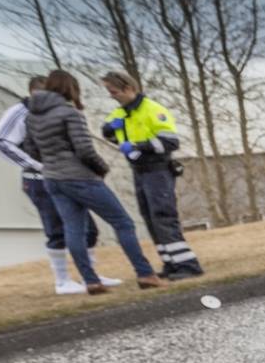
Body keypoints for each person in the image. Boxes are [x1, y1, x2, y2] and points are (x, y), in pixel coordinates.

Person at [23, 70, 164, 294]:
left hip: (52, 178)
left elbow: (31, 150)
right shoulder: (69, 113)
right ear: (70, 89)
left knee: (74, 230)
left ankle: (91, 281)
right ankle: (145, 273)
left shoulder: (31, 116)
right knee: (123, 223)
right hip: (80, 177)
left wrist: (53, 162)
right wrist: (101, 168)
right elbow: (85, 150)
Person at [0, 75, 121, 295]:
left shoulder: (54, 112)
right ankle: (62, 280)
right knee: (56, 229)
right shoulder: (20, 112)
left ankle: (91, 275)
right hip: (40, 179)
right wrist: (34, 165)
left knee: (87, 229)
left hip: (65, 177)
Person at [99, 72, 204, 280]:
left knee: (163, 216)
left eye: (114, 92)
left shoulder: (152, 110)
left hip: (157, 169)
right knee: (150, 217)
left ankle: (188, 265)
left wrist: (139, 147)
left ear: (129, 88)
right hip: (139, 171)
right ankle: (170, 262)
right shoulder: (121, 113)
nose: (112, 96)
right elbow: (109, 133)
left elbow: (170, 142)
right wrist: (110, 129)